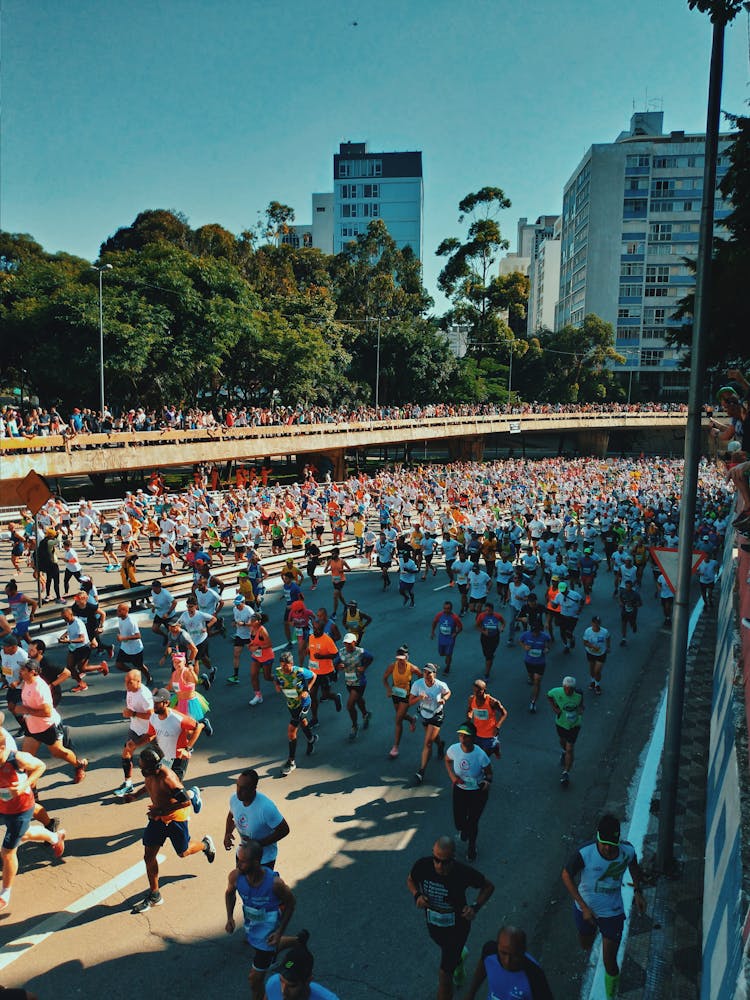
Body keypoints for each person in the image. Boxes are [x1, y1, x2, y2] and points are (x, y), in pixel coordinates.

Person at [562, 813, 647, 1000]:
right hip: (585, 912)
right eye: (604, 844)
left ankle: (611, 996)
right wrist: (584, 907)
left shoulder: (627, 851)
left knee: (610, 961)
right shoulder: (584, 853)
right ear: (598, 838)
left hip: (612, 913)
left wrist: (638, 891)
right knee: (585, 945)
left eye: (612, 844)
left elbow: (634, 866)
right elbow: (566, 875)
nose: (608, 849)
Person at [407, 836, 495, 998]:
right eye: (436, 860)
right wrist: (417, 895)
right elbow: (411, 880)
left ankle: (455, 960)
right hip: (434, 926)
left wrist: (475, 907)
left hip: (457, 929)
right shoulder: (423, 866)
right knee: (447, 954)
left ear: (453, 858)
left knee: (444, 976)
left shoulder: (463, 872)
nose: (439, 865)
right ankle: (459, 959)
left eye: (445, 862)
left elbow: (488, 886)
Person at [130, 746, 215, 913]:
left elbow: (185, 802)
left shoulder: (168, 779)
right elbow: (148, 785)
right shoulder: (150, 774)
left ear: (154, 767)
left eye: (143, 768)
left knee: (183, 852)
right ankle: (155, 895)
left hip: (175, 819)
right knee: (148, 856)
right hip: (158, 818)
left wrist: (160, 811)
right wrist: (135, 795)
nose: (141, 771)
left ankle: (205, 844)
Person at [0, 731, 66, 911]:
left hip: (20, 809)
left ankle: (4, 894)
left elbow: (40, 766)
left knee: (7, 853)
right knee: (26, 834)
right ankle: (54, 838)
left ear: (2, 747)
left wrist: (23, 785)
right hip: (2, 807)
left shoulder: (17, 759)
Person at [224, 840, 296, 1000]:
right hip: (253, 928)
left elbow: (291, 903)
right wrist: (229, 917)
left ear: (256, 862)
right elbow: (229, 893)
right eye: (238, 859)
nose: (238, 864)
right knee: (264, 945)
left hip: (269, 932)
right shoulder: (236, 876)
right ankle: (299, 941)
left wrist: (278, 932)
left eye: (242, 861)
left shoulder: (275, 884)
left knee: (254, 979)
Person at [14, 660, 87, 782]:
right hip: (32, 727)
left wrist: (26, 710)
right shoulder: (26, 682)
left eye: (23, 670)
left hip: (48, 727)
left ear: (32, 672)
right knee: (26, 760)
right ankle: (33, 795)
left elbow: (47, 713)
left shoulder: (40, 688)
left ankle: (78, 765)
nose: (20, 671)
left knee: (58, 752)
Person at [464, 925, 553, 1000]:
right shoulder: (490, 951)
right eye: (503, 953)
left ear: (523, 950)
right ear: (497, 945)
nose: (507, 961)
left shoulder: (535, 976)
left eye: (515, 955)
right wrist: (471, 994)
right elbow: (482, 968)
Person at [444, 722, 492, 862]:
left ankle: (472, 847)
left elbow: (489, 773)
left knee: (472, 821)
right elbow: (447, 761)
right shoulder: (454, 749)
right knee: (459, 823)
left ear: (473, 738)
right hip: (460, 790)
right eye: (460, 735)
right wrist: (453, 777)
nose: (462, 739)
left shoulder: (480, 755)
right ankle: (464, 830)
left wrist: (487, 782)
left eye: (466, 736)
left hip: (478, 792)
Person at [224, 769, 290, 863]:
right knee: (237, 878)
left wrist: (258, 844)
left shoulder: (266, 808)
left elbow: (284, 830)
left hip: (263, 860)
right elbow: (231, 815)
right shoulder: (234, 799)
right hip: (243, 856)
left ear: (253, 788)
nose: (239, 791)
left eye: (244, 788)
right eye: (238, 786)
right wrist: (227, 833)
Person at [274, 651, 318, 775]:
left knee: (291, 730)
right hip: (291, 704)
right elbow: (276, 679)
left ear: (291, 664)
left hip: (303, 703)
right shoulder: (278, 671)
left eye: (286, 666)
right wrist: (277, 685)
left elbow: (314, 675)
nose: (283, 668)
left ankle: (291, 762)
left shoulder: (300, 671)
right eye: (281, 665)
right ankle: (311, 739)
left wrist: (307, 690)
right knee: (303, 722)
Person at [264, 930, 340, 1000]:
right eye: (281, 981)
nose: (283, 990)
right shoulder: (273, 983)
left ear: (308, 980)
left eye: (291, 986)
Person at [114, 670, 155, 798]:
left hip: (149, 731)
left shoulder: (144, 695)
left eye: (129, 682)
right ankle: (128, 784)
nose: (126, 685)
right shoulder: (131, 689)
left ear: (138, 682)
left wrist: (133, 714)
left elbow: (151, 714)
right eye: (125, 681)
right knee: (126, 752)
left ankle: (160, 785)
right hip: (135, 728)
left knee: (160, 759)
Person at [409, 663, 451, 785]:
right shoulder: (418, 684)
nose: (426, 675)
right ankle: (440, 744)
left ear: (434, 673)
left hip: (436, 715)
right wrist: (419, 698)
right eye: (425, 672)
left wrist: (444, 699)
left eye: (429, 672)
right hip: (424, 714)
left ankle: (421, 772)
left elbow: (448, 692)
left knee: (427, 743)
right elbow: (410, 702)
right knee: (431, 737)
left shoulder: (440, 685)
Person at [383, 645, 422, 759]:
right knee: (401, 715)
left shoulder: (412, 668)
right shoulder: (392, 666)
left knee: (398, 719)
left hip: (406, 696)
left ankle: (395, 747)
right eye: (398, 658)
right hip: (395, 694)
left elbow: (421, 679)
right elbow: (384, 679)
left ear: (407, 657)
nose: (400, 660)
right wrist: (388, 689)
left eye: (402, 658)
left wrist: (416, 692)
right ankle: (412, 719)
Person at [546, 676, 584, 787]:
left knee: (570, 748)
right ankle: (564, 752)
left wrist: (581, 710)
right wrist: (554, 707)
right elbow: (548, 696)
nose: (568, 691)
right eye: (566, 689)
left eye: (570, 689)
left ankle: (566, 772)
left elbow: (581, 705)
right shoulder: (556, 692)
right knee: (562, 742)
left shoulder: (579, 694)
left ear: (574, 688)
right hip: (561, 723)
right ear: (563, 687)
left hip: (574, 725)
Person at [336, 633, 373, 741]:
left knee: (350, 705)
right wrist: (339, 666)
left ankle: (354, 726)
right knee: (358, 700)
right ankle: (365, 714)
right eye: (345, 643)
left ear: (354, 642)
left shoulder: (360, 652)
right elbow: (336, 663)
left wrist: (364, 667)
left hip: (359, 682)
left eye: (349, 643)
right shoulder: (342, 652)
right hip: (349, 682)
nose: (347, 645)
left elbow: (370, 658)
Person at [306, 618, 342, 725]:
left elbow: (335, 654)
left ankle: (335, 697)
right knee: (312, 695)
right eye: (314, 629)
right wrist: (308, 651)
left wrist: (322, 656)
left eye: (317, 629)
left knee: (325, 695)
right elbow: (311, 649)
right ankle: (315, 719)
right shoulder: (311, 637)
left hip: (326, 672)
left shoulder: (327, 640)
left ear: (322, 629)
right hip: (313, 672)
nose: (315, 631)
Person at [466, 680, 507, 759]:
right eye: (474, 691)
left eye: (478, 692)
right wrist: (469, 715)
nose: (476, 694)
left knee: (484, 757)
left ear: (484, 690)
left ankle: (495, 747)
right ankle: (495, 745)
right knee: (475, 752)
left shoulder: (492, 702)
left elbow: (504, 713)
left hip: (490, 734)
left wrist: (497, 726)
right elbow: (470, 709)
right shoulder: (471, 699)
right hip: (476, 732)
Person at [113, 602, 152, 684]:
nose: (117, 612)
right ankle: (134, 674)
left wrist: (123, 638)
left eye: (119, 611)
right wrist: (120, 635)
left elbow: (138, 636)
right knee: (118, 664)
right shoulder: (120, 618)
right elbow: (121, 628)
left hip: (135, 649)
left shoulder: (131, 622)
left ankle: (149, 677)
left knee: (140, 666)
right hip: (125, 647)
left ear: (125, 611)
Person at [519, 621, 552, 713]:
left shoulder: (544, 636)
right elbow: (520, 641)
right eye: (533, 631)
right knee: (531, 677)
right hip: (529, 661)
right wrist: (524, 646)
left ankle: (533, 702)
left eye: (536, 632)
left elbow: (549, 642)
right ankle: (531, 679)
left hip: (540, 663)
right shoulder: (526, 635)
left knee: (537, 681)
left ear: (539, 631)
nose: (534, 633)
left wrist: (547, 648)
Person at [430, 601, 463, 675]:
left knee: (448, 654)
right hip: (441, 638)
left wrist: (456, 633)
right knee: (441, 653)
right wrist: (432, 632)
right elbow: (434, 622)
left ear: (451, 609)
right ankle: (447, 657)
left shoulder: (455, 617)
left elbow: (460, 627)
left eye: (448, 608)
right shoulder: (440, 615)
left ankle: (447, 667)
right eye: (445, 608)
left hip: (450, 638)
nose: (446, 610)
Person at [474, 602, 505, 678]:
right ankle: (489, 658)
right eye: (486, 610)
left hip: (495, 637)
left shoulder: (497, 616)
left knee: (489, 656)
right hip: (485, 638)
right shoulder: (481, 616)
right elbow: (477, 626)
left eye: (489, 610)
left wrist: (502, 628)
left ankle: (487, 674)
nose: (487, 612)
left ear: (492, 610)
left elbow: (503, 623)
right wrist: (484, 631)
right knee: (486, 654)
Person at [582, 616, 611, 695]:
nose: (596, 624)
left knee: (597, 671)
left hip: (601, 653)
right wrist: (592, 646)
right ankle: (592, 681)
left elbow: (608, 638)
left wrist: (608, 647)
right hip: (590, 653)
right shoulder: (588, 631)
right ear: (592, 623)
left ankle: (597, 685)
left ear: (600, 623)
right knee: (592, 669)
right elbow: (585, 642)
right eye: (594, 623)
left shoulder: (604, 631)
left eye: (597, 623)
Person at [618, 579, 642, 646]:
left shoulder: (636, 594)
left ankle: (634, 625)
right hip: (624, 611)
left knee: (632, 623)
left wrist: (633, 605)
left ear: (631, 586)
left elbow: (640, 604)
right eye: (626, 586)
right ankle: (623, 639)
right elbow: (619, 597)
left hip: (633, 612)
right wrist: (620, 603)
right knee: (623, 624)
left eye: (628, 586)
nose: (627, 588)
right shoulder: (623, 592)